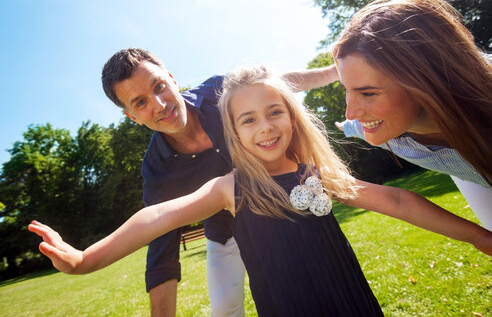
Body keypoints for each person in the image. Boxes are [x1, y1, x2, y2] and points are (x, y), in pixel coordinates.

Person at [29, 66, 492, 316]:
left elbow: (395, 199)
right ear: (231, 131)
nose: (265, 127)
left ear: (292, 115)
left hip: (351, 302)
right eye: (247, 119)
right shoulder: (229, 188)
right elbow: (158, 218)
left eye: (275, 112)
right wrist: (85, 260)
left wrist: (477, 235)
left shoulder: (319, 175)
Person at [99, 48, 340, 316]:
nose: (159, 104)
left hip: (277, 213)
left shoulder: (217, 91)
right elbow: (161, 252)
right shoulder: (158, 170)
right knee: (225, 310)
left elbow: (274, 86)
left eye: (159, 86)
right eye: (140, 103)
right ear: (132, 117)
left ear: (171, 78)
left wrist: (332, 72)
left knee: (308, 292)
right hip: (224, 236)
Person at [331, 0, 492, 230]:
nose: (352, 112)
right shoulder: (367, 127)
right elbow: (346, 125)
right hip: (472, 173)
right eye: (348, 90)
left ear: (425, 80)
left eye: (368, 93)